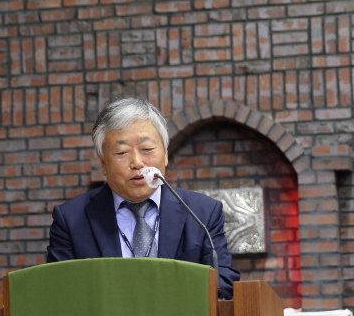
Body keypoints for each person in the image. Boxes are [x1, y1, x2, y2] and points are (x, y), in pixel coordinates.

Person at [46, 98, 240, 299]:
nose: (137, 163)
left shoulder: (202, 213)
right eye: (121, 152)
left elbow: (223, 282)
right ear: (103, 163)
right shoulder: (71, 219)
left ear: (165, 154)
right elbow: (59, 291)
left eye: (147, 149)